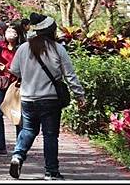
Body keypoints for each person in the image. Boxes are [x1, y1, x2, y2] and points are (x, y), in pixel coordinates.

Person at [8, 13, 86, 180]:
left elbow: (14, 70)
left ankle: (18, 156)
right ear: (51, 31)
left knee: (28, 130)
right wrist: (80, 95)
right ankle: (51, 172)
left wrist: (28, 74)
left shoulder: (23, 48)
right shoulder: (58, 49)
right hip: (50, 100)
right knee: (50, 135)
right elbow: (70, 76)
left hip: (28, 98)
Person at [0, 26, 22, 157]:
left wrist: (8, 68)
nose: (10, 34)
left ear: (18, 34)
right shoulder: (0, 46)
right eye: (8, 31)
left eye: (13, 32)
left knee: (17, 114)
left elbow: (23, 68)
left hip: (16, 85)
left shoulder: (22, 48)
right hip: (2, 84)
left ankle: (21, 147)